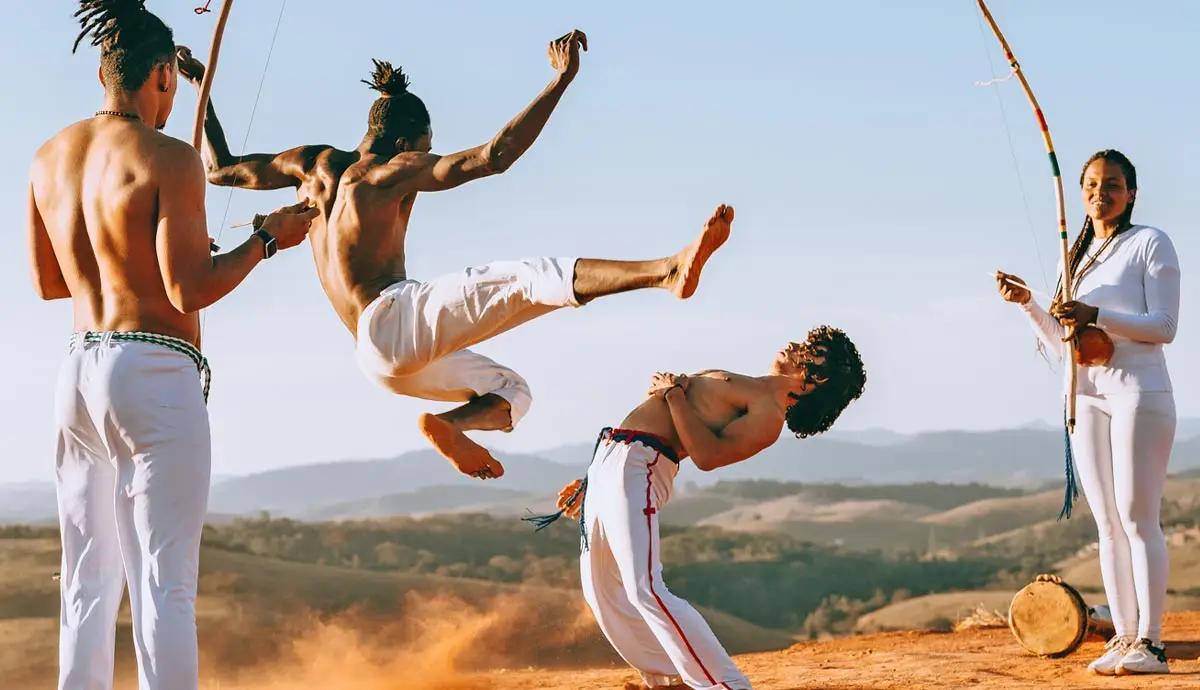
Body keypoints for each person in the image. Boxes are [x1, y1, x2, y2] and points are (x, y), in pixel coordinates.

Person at [178, 35, 733, 479]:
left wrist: (202, 87)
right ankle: (666, 271)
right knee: (528, 277)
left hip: (378, 362)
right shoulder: (390, 173)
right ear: (405, 144)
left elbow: (219, 168)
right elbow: (493, 157)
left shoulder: (311, 165)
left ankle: (450, 426)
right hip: (393, 320)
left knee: (513, 393)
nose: (427, 158)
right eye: (425, 146)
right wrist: (561, 80)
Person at [28, 2, 317, 688]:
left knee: (86, 582)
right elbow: (190, 290)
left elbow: (48, 282)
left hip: (76, 374)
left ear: (104, 72)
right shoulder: (170, 157)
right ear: (162, 74)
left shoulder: (48, 155)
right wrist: (269, 238)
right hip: (152, 375)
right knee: (165, 585)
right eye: (171, 83)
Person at [551, 327, 866, 690]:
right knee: (601, 593)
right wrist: (595, 480)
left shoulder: (769, 413)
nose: (796, 346)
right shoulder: (751, 384)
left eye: (813, 351)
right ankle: (671, 678)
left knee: (645, 587)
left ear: (818, 379)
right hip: (613, 458)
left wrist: (674, 398)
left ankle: (727, 684)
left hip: (643, 464)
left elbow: (708, 456)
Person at [996, 149, 1180, 676]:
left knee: (1138, 517)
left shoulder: (1150, 243)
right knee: (1106, 524)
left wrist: (1096, 312)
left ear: (1132, 193)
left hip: (1140, 393)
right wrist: (1029, 303)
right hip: (1086, 397)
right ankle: (1123, 637)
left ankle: (1153, 643)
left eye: (1114, 184)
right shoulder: (1073, 258)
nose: (1103, 193)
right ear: (1081, 193)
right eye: (1093, 185)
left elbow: (1164, 325)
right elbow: (1066, 346)